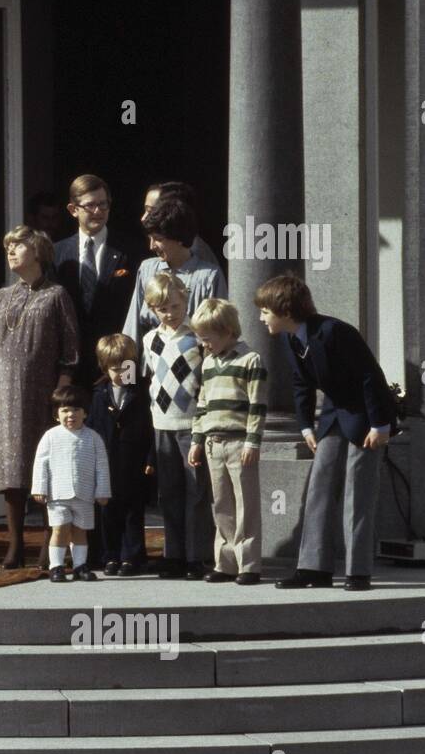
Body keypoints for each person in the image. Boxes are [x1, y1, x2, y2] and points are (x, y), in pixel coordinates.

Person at [256, 274, 397, 592]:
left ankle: (357, 572)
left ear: (285, 310)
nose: (261, 317)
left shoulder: (335, 331)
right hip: (333, 417)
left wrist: (380, 426)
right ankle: (313, 568)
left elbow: (370, 377)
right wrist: (305, 425)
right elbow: (301, 383)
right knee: (319, 490)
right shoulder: (290, 338)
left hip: (365, 417)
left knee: (357, 495)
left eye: (265, 310)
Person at [0, 226, 80, 570]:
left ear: (37, 251)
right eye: (7, 247)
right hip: (6, 396)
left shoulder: (56, 295)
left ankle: (49, 546)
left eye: (17, 246)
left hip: (42, 395)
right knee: (11, 470)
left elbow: (70, 349)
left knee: (47, 468)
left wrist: (60, 395)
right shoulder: (2, 296)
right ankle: (15, 544)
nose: (11, 252)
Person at [187, 298, 267, 586]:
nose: (204, 344)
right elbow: (203, 403)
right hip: (213, 441)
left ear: (228, 332)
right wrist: (197, 439)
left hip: (238, 441)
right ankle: (226, 562)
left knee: (245, 502)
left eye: (208, 338)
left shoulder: (250, 360)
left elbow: (258, 405)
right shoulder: (208, 362)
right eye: (201, 338)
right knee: (220, 503)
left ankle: (249, 564)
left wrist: (252, 441)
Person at [140, 272, 212, 579]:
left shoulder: (196, 336)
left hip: (191, 422)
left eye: (175, 305)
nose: (170, 313)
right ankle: (174, 554)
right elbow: (154, 378)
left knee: (195, 490)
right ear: (153, 309)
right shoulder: (149, 339)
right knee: (168, 491)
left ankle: (197, 556)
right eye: (162, 308)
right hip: (161, 423)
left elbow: (206, 379)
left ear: (186, 301)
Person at [52, 175, 137, 386]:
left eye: (103, 205)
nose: (98, 211)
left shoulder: (130, 250)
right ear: (73, 210)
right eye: (90, 206)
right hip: (71, 367)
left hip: (117, 364)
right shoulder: (57, 253)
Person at [122, 185, 226, 349]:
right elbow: (131, 330)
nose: (151, 246)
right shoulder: (146, 269)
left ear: (178, 237)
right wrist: (127, 372)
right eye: (150, 238)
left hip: (195, 367)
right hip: (152, 369)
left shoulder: (209, 276)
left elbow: (220, 332)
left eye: (157, 239)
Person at [87, 334, 155, 575]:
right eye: (115, 369)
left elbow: (150, 427)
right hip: (106, 462)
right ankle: (110, 555)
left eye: (127, 367)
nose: (122, 373)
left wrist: (150, 458)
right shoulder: (98, 394)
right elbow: (93, 427)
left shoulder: (142, 391)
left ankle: (132, 556)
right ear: (105, 367)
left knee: (133, 511)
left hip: (133, 460)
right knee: (108, 511)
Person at [31, 385, 111, 582]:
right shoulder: (50, 436)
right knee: (59, 529)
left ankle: (79, 565)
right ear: (56, 414)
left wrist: (102, 491)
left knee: (80, 531)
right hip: (58, 495)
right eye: (65, 410)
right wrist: (39, 488)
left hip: (84, 494)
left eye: (76, 410)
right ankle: (56, 566)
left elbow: (102, 466)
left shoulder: (93, 438)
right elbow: (40, 464)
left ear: (85, 413)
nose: (71, 415)